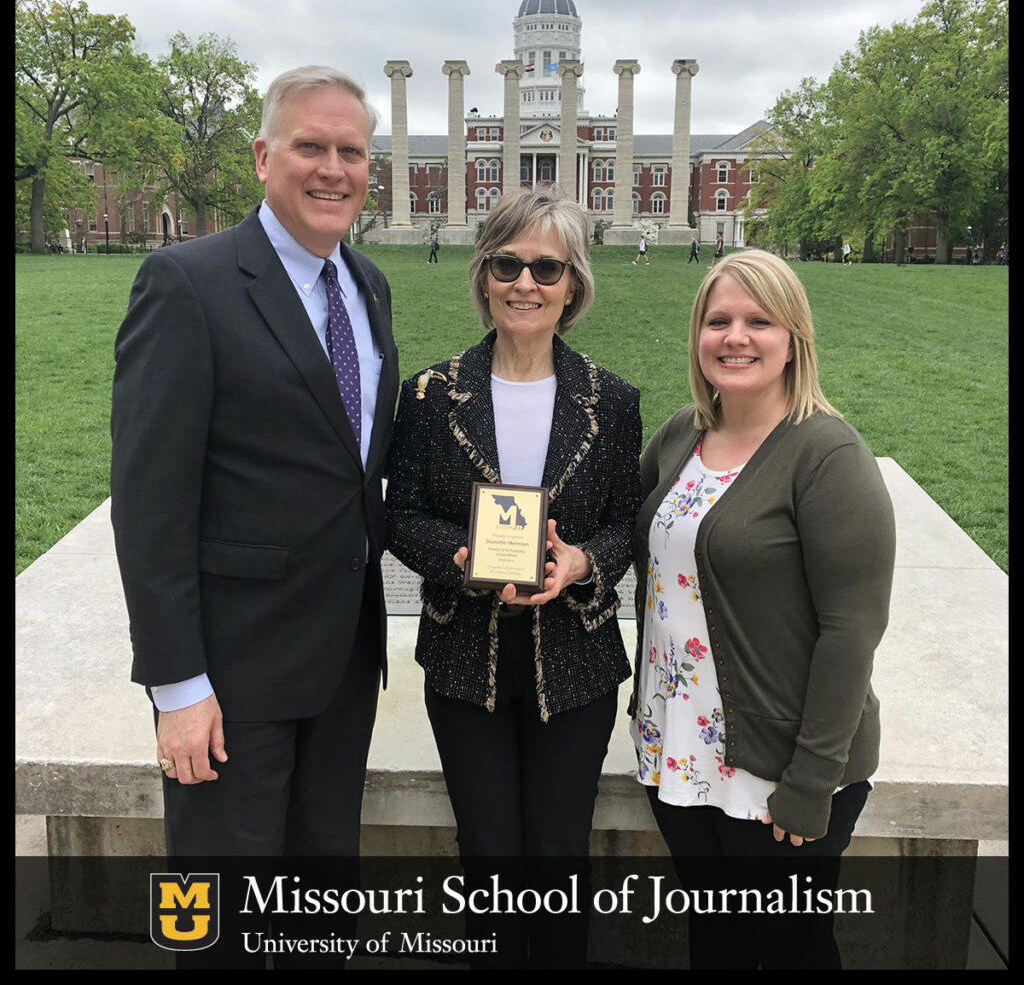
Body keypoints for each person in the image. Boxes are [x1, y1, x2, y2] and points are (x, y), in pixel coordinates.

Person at [111, 66, 398, 964]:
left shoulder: (368, 285)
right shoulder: (187, 284)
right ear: (262, 156)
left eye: (350, 151)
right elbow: (150, 503)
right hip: (231, 675)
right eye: (310, 146)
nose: (332, 169)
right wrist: (178, 686)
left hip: (342, 662)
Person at [386, 187, 642, 968]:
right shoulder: (432, 396)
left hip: (577, 662)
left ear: (573, 285)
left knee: (560, 849)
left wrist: (582, 562)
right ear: (484, 274)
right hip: (467, 659)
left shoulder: (612, 400)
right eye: (507, 264)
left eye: (546, 268)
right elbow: (400, 514)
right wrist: (458, 559)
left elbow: (628, 522)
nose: (524, 283)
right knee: (490, 852)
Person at [630, 249, 895, 969]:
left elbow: (852, 630)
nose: (735, 337)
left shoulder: (826, 454)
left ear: (793, 339)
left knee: (789, 949)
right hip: (680, 752)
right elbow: (638, 542)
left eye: (758, 321)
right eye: (718, 320)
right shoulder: (684, 433)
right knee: (715, 940)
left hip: (777, 768)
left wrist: (811, 783)